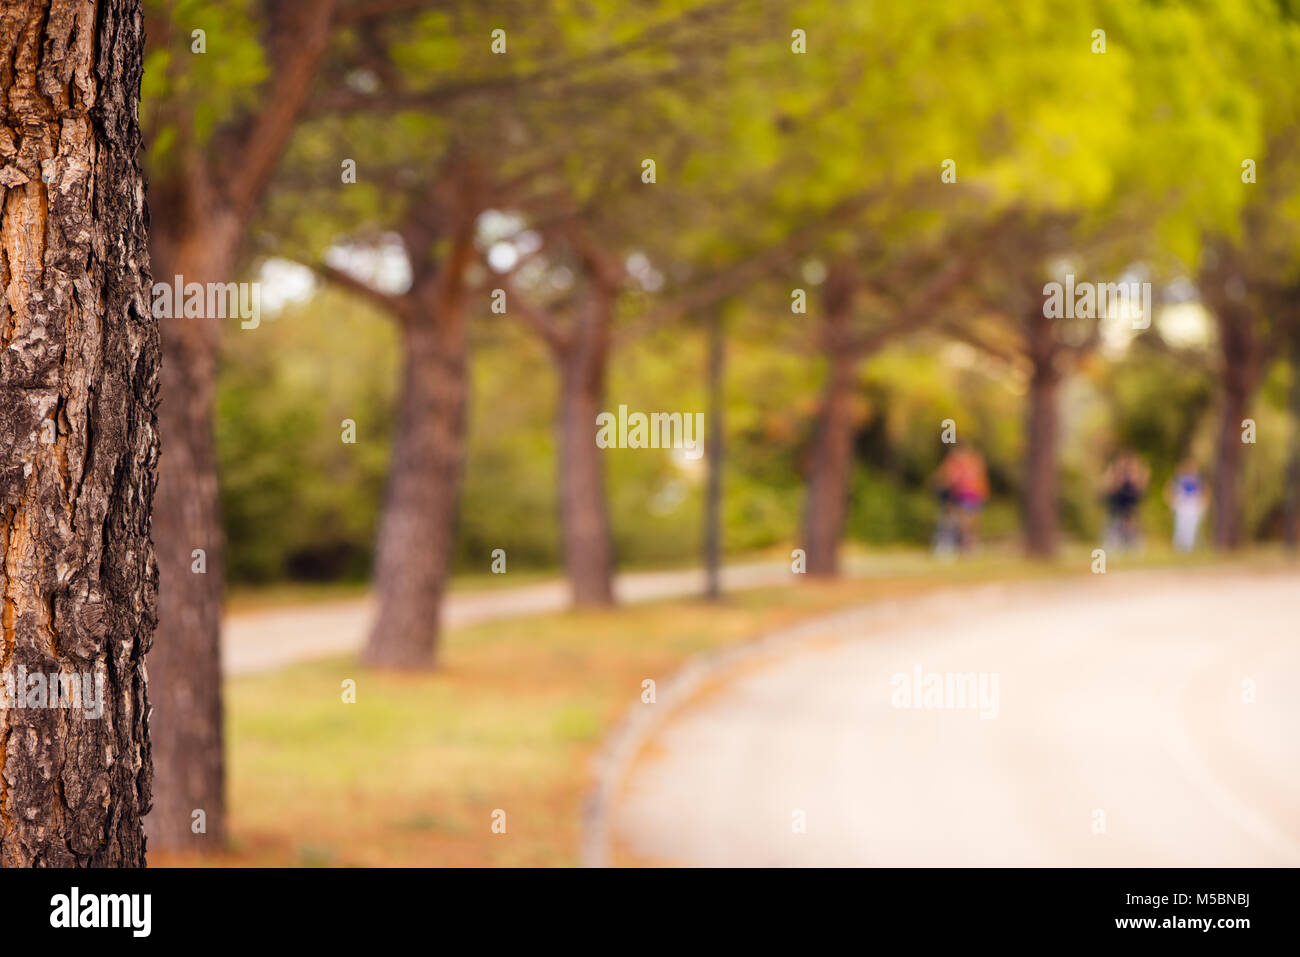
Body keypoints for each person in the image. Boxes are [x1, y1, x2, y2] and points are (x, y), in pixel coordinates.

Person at [934, 445, 990, 554]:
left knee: (966, 522)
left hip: (969, 495)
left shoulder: (967, 463)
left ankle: (967, 545)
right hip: (966, 495)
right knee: (967, 522)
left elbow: (952, 478)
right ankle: (967, 545)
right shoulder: (970, 462)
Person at [1101, 450, 1149, 551]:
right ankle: (1114, 545)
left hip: (1129, 505)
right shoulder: (1116, 475)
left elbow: (1139, 488)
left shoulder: (1132, 476)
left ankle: (1132, 545)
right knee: (1115, 524)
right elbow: (1110, 488)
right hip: (1117, 504)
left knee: (1130, 524)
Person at [1166, 458, 1208, 553]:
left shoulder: (1199, 480)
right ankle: (1179, 548)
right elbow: (1169, 490)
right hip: (1182, 505)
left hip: (1193, 506)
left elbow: (1205, 492)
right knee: (1180, 527)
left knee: (1191, 528)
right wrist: (1173, 503)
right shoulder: (1178, 479)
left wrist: (1202, 505)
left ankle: (1188, 548)